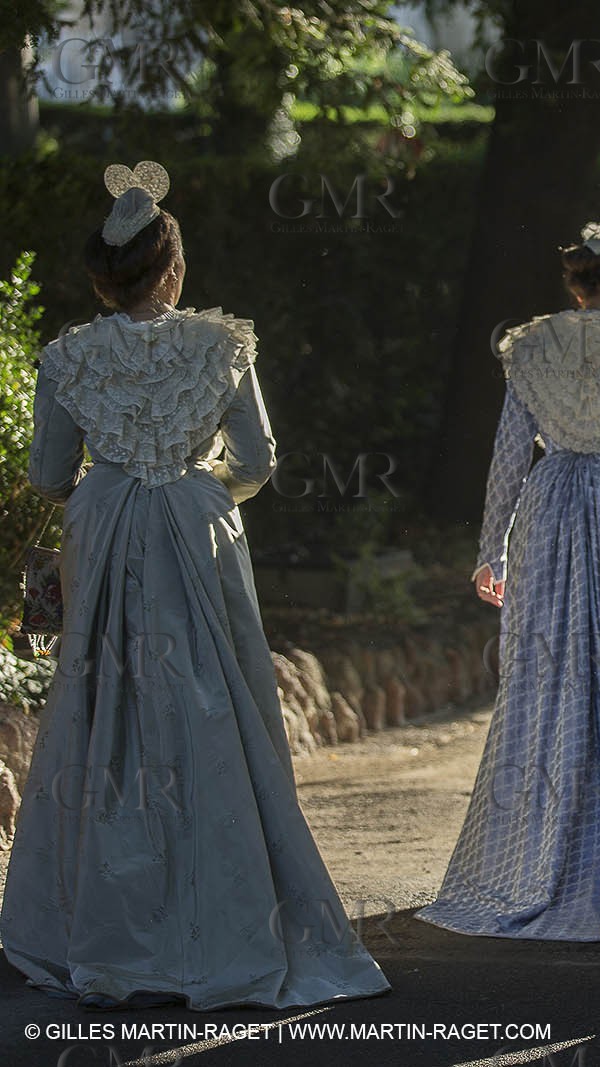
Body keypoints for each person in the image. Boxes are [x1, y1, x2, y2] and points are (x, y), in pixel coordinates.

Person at [2, 161, 389, 1009]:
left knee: (105, 711)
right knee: (212, 707)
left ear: (103, 276)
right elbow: (257, 461)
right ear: (171, 268)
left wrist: (106, 489)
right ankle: (225, 919)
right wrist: (195, 482)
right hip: (192, 525)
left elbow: (45, 470)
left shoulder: (68, 356)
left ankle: (105, 919)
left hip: (103, 529)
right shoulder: (220, 346)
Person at [418, 216, 600, 941]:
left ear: (575, 285)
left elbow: (509, 452)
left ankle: (530, 852)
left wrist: (492, 547)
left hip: (548, 503)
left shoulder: (530, 345)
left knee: (544, 675)